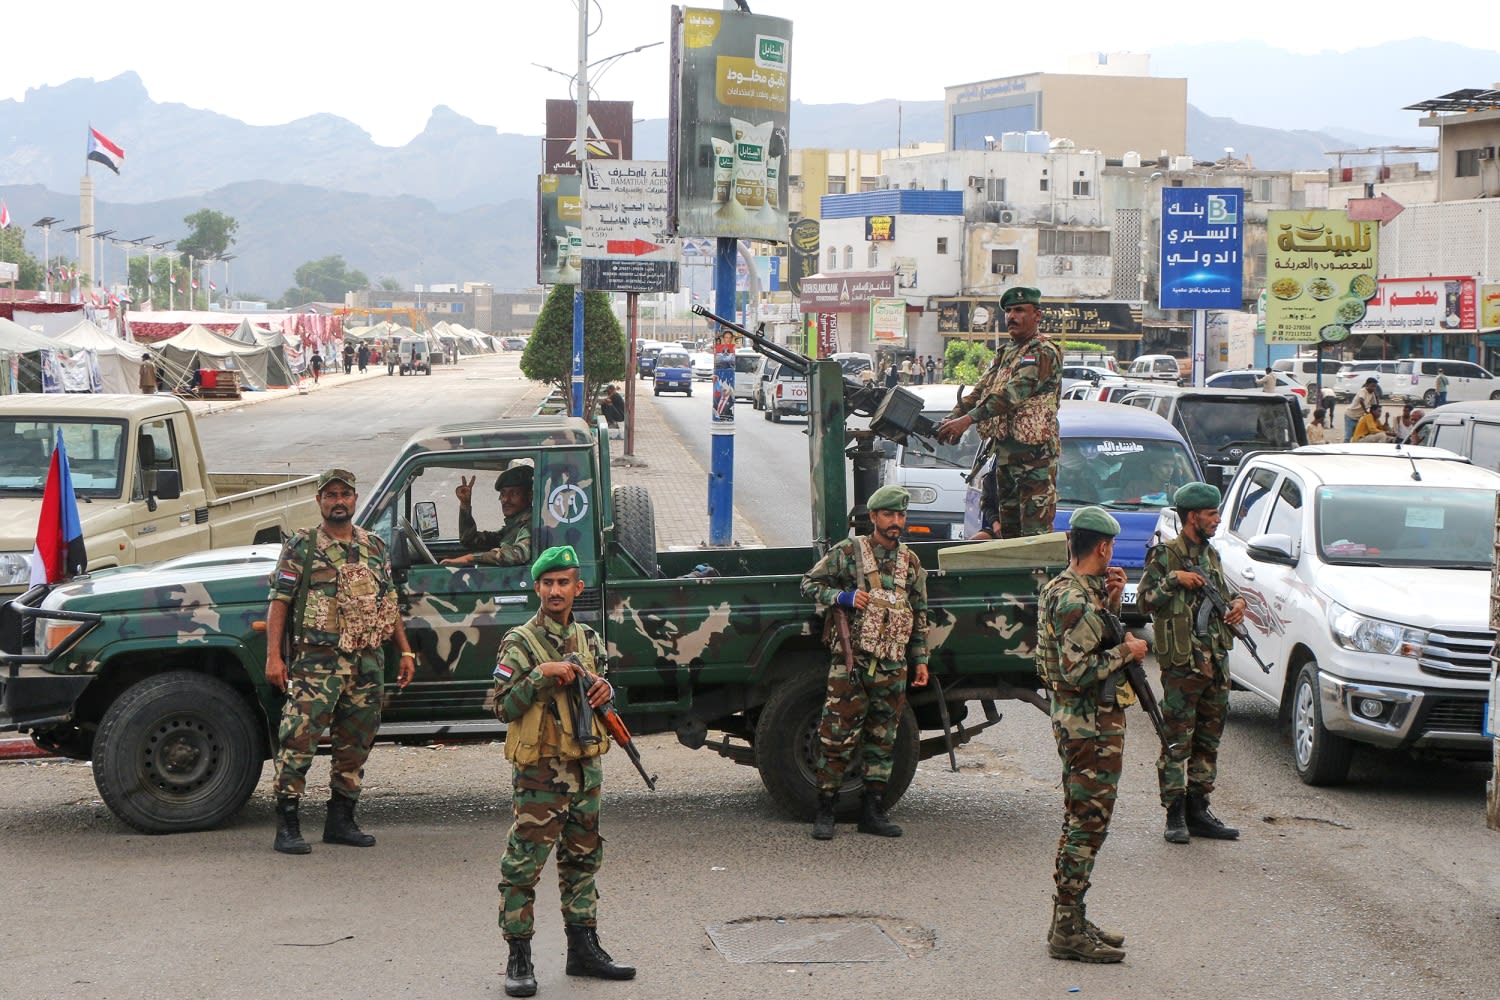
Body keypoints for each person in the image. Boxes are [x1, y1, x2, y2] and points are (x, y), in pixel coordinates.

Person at [492, 544, 635, 996]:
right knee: (524, 865)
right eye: (548, 583)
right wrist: (540, 676)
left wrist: (605, 689)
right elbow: (501, 706)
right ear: (537, 587)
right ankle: (519, 957)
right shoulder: (519, 642)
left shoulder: (590, 640)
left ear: (578, 587)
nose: (556, 591)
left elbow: (603, 695)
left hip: (585, 768)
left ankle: (584, 949)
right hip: (540, 775)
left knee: (583, 860)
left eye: (564, 583)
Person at [264, 468, 415, 855]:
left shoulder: (374, 546)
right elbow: (279, 602)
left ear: (354, 498)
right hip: (317, 665)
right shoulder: (303, 545)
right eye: (330, 495)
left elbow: (389, 603)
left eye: (344, 494)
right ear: (319, 501)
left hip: (366, 663)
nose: (338, 501)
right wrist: (274, 657)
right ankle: (288, 824)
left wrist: (405, 650)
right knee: (298, 741)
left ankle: (341, 820)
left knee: (356, 743)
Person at [1036, 505, 1148, 963]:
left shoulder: (1072, 590)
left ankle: (1071, 917)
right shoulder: (1074, 600)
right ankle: (1068, 930)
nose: (1113, 554)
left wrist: (1114, 601)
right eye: (1112, 548)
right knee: (1087, 825)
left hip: (1085, 723)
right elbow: (1080, 668)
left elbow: (1089, 637)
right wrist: (1127, 650)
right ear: (1102, 547)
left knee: (1080, 821)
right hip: (1089, 728)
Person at [800, 484, 930, 841]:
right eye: (889, 515)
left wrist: (920, 660)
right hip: (851, 663)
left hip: (892, 664)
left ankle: (873, 811)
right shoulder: (849, 552)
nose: (895, 522)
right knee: (836, 737)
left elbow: (918, 615)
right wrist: (842, 596)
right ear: (873, 517)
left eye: (901, 515)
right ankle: (824, 810)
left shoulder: (910, 562)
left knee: (882, 739)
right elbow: (809, 584)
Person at [1137, 482, 1245, 846]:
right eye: (1211, 514)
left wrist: (1236, 605)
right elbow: (1144, 603)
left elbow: (1223, 594)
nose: (1216, 520)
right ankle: (1175, 815)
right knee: (1176, 743)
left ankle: (1199, 810)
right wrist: (1174, 580)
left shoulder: (1211, 554)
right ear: (1192, 517)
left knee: (1208, 742)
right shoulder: (1166, 555)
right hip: (1184, 666)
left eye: (1216, 513)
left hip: (1215, 663)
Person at [934, 286, 1062, 538]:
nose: (1012, 316)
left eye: (1020, 310)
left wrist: (966, 421)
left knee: (1034, 540)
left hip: (1034, 463)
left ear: (1037, 315)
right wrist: (951, 418)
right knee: (1009, 537)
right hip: (1006, 461)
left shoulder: (1043, 352)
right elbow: (980, 391)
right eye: (1008, 311)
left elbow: (1011, 395)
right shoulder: (1006, 353)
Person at [442, 465, 534, 568]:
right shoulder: (514, 526)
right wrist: (465, 504)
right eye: (503, 494)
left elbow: (517, 554)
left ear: (530, 496)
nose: (505, 500)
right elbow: (469, 539)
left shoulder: (531, 524)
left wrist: (471, 558)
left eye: (514, 493)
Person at [1344, 377, 1378, 442]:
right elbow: (1361, 400)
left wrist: (1376, 397)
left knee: (1357, 435)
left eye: (1375, 387)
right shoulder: (1363, 391)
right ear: (1367, 385)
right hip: (1350, 415)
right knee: (1348, 436)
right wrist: (1365, 411)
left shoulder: (1372, 393)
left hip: (1358, 418)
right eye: (1372, 386)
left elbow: (1374, 406)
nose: (1373, 388)